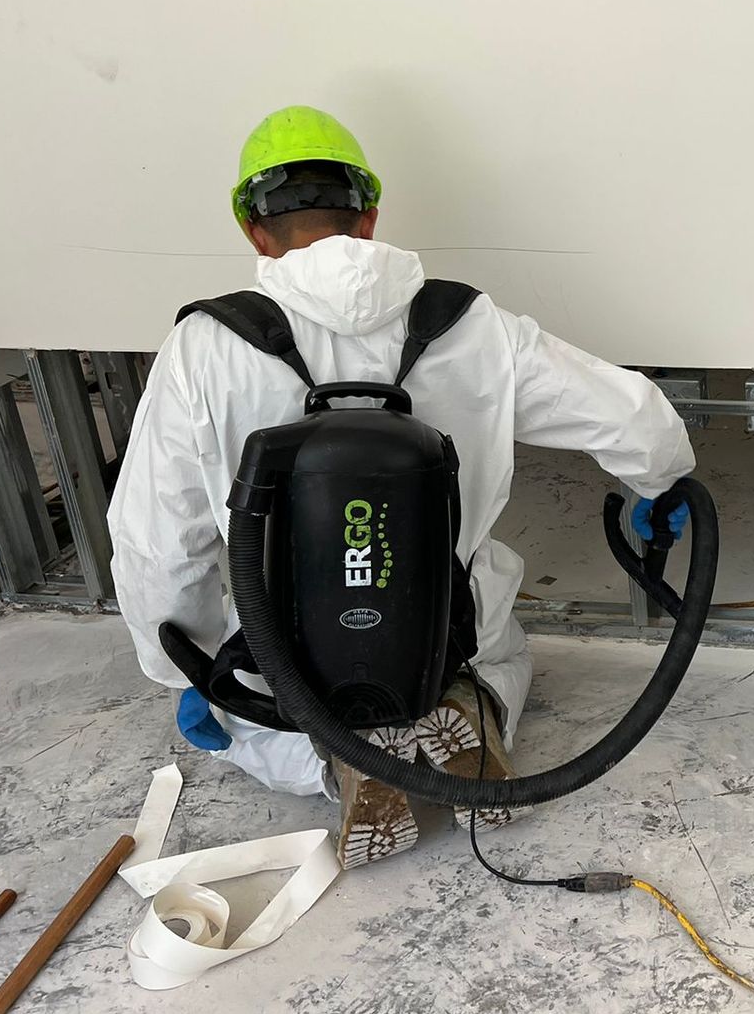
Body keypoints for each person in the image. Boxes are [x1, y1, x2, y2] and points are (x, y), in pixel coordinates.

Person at [110, 106, 695, 865]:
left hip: (287, 648)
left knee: (246, 720)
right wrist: (660, 484)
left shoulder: (205, 347)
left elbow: (157, 535)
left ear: (254, 232)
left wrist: (181, 666)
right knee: (504, 657)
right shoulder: (466, 323)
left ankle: (327, 762)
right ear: (370, 216)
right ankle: (469, 710)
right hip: (450, 624)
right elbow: (631, 415)